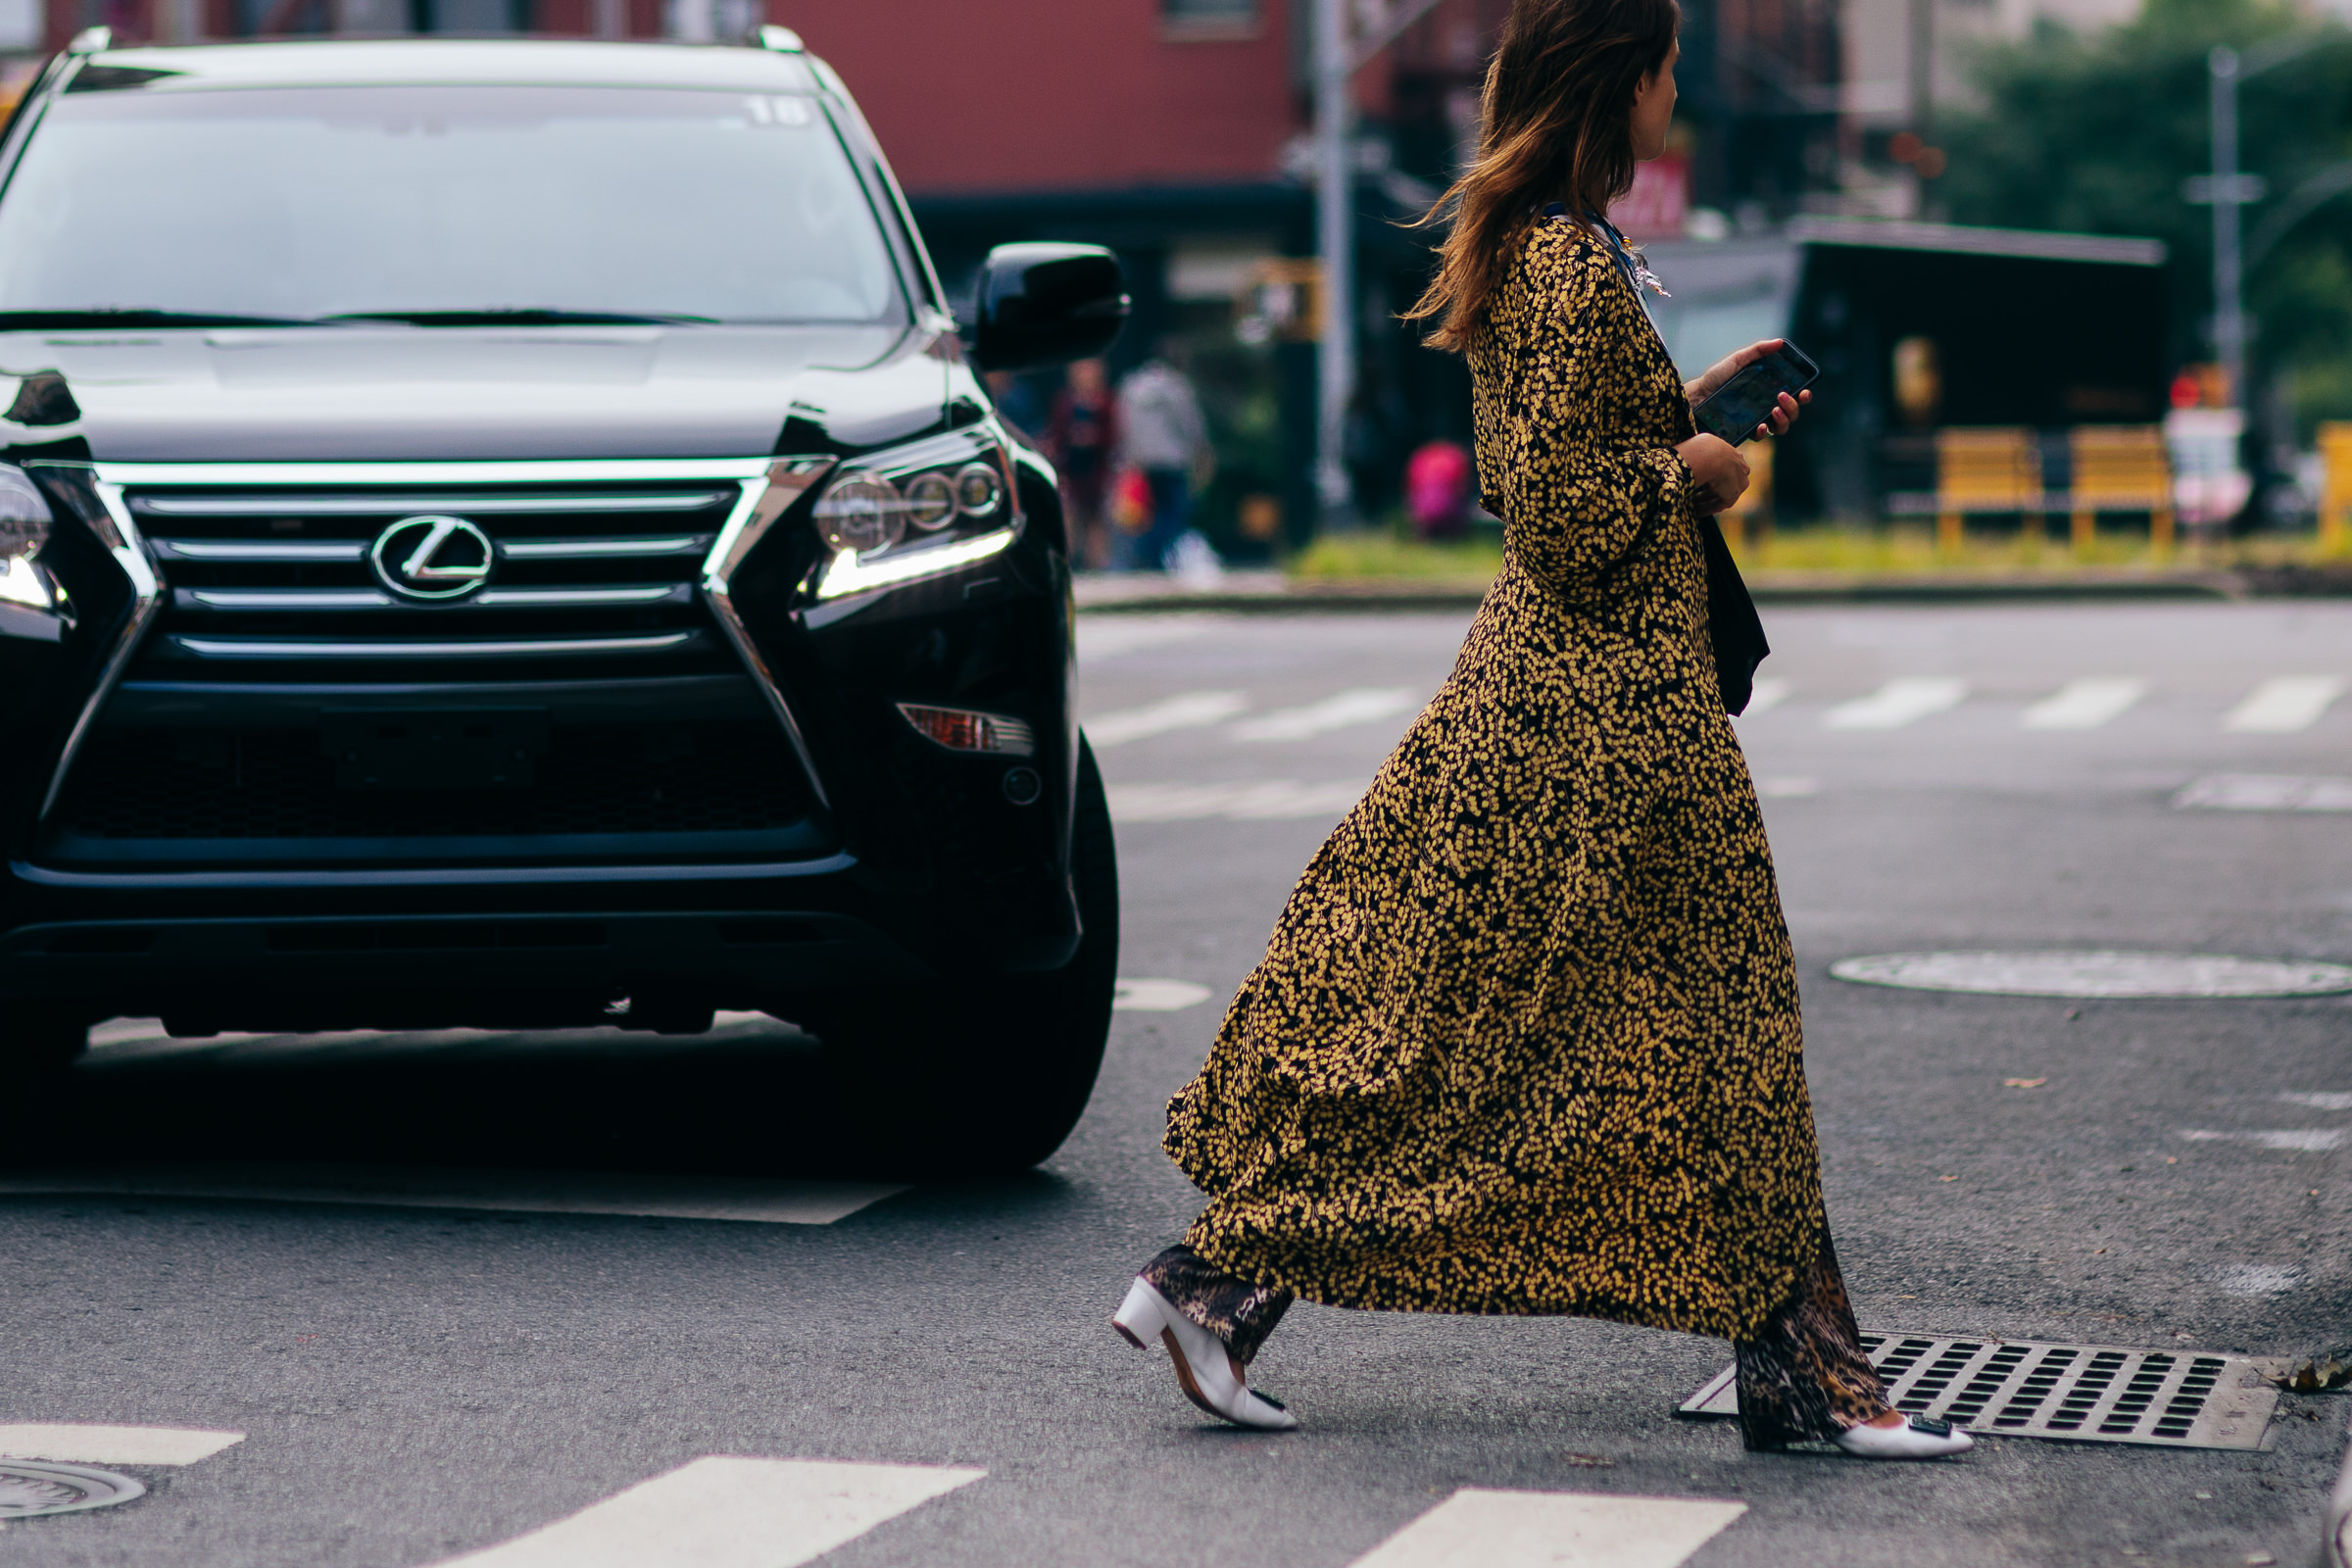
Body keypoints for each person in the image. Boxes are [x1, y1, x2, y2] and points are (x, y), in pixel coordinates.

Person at [1107, 0, 1972, 1462]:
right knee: (1680, 1035)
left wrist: (1693, 409)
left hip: (1570, 702)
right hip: (1606, 717)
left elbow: (1558, 454)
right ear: (1622, 82)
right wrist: (1694, 469)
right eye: (1670, 71)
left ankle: (1220, 1290)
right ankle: (1810, 1381)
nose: (1678, 97)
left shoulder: (1558, 255)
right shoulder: (1571, 264)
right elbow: (1560, 508)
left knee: (1533, 1031)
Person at [1113, 347, 1210, 572]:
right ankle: (1158, 554)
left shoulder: (1130, 387)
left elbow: (1123, 424)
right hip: (1172, 460)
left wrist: (1130, 454)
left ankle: (1147, 554)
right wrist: (1200, 448)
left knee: (1147, 513)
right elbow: (1189, 423)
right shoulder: (1176, 386)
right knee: (1174, 511)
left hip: (1142, 460)